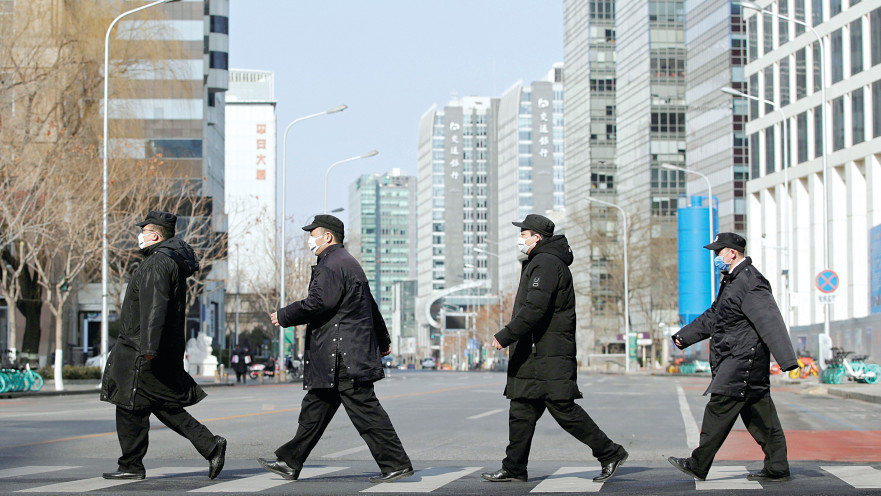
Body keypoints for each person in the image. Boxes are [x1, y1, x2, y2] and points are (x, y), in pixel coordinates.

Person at [259, 214, 413, 483]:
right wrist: (383, 339)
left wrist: (285, 315)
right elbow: (370, 305)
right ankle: (290, 461)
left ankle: (396, 464)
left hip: (342, 356)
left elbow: (319, 303)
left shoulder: (332, 264)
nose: (309, 239)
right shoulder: (347, 263)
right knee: (314, 411)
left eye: (312, 234)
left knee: (366, 412)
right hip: (339, 354)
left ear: (327, 236)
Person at [481, 214, 629, 484]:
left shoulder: (546, 263)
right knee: (521, 410)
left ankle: (610, 453)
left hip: (548, 353)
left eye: (523, 234)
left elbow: (535, 308)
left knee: (563, 408)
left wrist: (506, 335)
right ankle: (514, 467)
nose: (520, 239)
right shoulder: (538, 262)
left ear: (537, 237)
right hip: (534, 354)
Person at [100, 210, 226, 480]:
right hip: (147, 347)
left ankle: (131, 466)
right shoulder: (164, 261)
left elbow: (155, 307)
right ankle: (209, 445)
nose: (139, 235)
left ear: (155, 235)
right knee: (155, 403)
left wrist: (149, 348)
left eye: (143, 231)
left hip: (141, 349)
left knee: (130, 403)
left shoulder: (158, 263)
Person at [668, 232, 799, 482]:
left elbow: (769, 319)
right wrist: (684, 336)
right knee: (761, 417)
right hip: (740, 358)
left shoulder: (750, 281)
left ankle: (698, 463)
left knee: (718, 409)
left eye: (718, 252)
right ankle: (777, 466)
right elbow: (715, 315)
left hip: (743, 360)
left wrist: (787, 360)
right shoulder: (733, 280)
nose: (716, 257)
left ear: (732, 253)